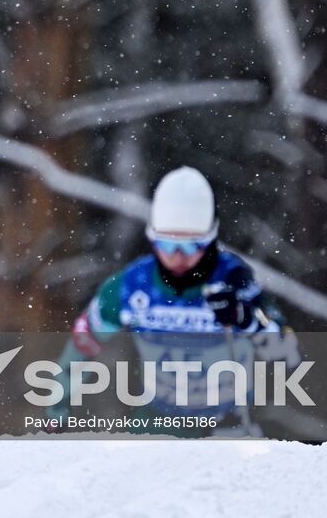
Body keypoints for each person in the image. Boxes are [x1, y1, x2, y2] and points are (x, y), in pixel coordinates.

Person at [52, 167, 299, 434]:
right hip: (156, 424)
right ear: (153, 238)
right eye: (167, 244)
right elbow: (82, 346)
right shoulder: (132, 286)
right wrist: (57, 411)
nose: (178, 257)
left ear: (211, 240)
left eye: (192, 245)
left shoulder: (235, 281)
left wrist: (246, 320)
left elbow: (289, 356)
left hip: (225, 428)